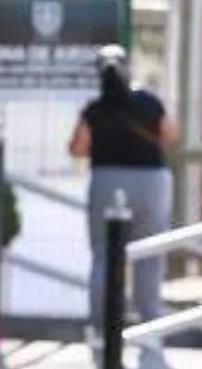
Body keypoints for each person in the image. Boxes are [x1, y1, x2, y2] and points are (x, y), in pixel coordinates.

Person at [70, 44, 175, 353]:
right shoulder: (149, 101)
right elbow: (170, 135)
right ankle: (150, 329)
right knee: (149, 258)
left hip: (107, 181)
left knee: (104, 257)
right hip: (151, 182)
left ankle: (101, 330)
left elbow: (77, 147)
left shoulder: (94, 108)